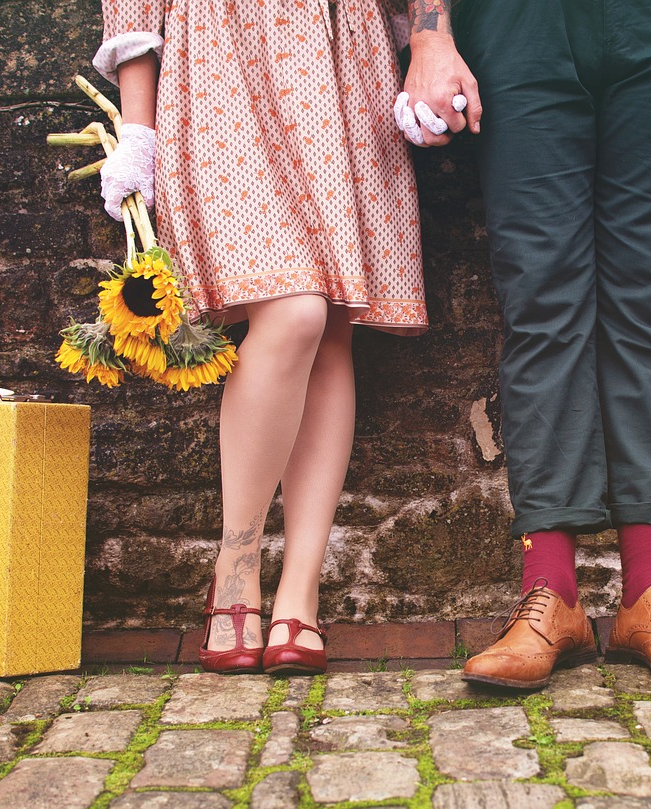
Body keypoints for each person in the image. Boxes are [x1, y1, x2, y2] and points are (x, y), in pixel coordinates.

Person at [400, 0, 651, 688]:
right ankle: (551, 594)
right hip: (520, 29)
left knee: (645, 305)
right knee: (542, 304)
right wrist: (429, 35)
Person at [94, 0, 427, 675]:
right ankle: (237, 566)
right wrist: (138, 129)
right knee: (297, 311)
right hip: (220, 68)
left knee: (331, 325)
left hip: (342, 62)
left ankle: (298, 595)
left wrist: (426, 47)